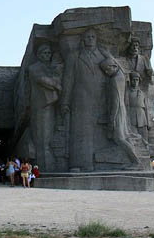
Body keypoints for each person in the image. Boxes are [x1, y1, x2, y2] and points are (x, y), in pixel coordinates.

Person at [61, 28, 111, 172]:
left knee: (100, 132)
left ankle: (100, 163)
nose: (90, 39)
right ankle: (79, 164)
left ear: (96, 39)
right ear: (83, 39)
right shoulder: (74, 56)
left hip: (100, 98)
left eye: (92, 37)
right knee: (80, 132)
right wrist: (65, 101)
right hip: (80, 99)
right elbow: (68, 79)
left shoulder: (102, 56)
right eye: (87, 37)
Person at [100, 58, 141, 167]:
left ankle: (136, 162)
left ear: (114, 66)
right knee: (123, 137)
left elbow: (115, 101)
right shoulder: (121, 75)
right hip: (121, 110)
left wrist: (112, 119)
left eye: (107, 69)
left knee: (120, 138)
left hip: (117, 111)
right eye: (104, 71)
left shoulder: (115, 80)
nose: (106, 72)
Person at [28, 43, 61, 171]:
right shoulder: (34, 67)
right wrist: (57, 85)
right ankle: (45, 167)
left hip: (52, 103)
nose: (47, 55)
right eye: (44, 53)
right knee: (43, 137)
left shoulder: (51, 67)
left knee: (50, 135)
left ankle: (50, 164)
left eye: (48, 53)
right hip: (42, 105)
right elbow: (43, 80)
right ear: (38, 55)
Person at [127, 72, 150, 146]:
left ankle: (145, 149)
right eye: (133, 80)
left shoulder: (142, 93)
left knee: (144, 137)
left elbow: (146, 108)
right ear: (130, 81)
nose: (135, 82)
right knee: (134, 136)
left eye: (137, 80)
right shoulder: (127, 92)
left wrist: (148, 122)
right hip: (131, 116)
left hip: (142, 118)